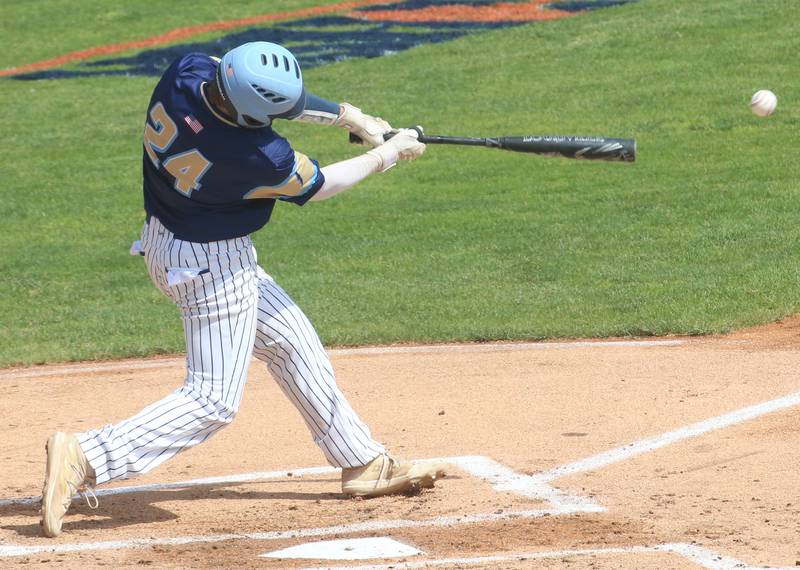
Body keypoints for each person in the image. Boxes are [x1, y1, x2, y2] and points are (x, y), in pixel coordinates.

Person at [40, 41, 446, 538]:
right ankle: (89, 456)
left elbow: (281, 101)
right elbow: (320, 184)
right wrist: (389, 153)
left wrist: (350, 117)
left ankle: (362, 462)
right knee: (212, 400)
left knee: (289, 339)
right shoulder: (257, 155)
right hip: (211, 264)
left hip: (167, 237)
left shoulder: (186, 72)